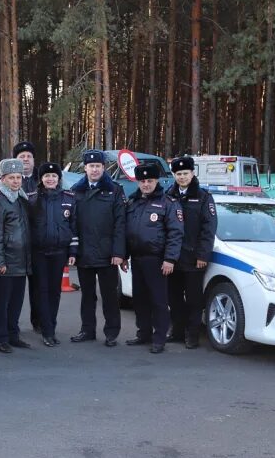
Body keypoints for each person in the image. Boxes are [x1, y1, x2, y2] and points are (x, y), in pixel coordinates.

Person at [121, 163, 183, 354]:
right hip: (137, 259)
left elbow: (176, 233)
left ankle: (159, 338)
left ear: (156, 181)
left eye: (150, 181)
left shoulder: (168, 203)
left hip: (157, 260)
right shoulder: (132, 203)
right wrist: (124, 256)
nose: (146, 184)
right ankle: (143, 333)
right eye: (142, 181)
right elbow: (125, 232)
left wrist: (170, 259)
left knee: (158, 301)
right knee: (139, 299)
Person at [69, 149, 126, 347]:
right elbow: (73, 223)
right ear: (85, 168)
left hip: (107, 254)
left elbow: (120, 223)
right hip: (84, 253)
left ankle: (111, 332)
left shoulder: (115, 190)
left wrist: (119, 252)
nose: (94, 169)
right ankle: (87, 330)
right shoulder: (77, 191)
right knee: (87, 296)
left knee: (109, 296)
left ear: (104, 168)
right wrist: (73, 252)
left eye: (98, 166)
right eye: (91, 166)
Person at [166, 156, 218, 349]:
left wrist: (203, 255)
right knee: (174, 298)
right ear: (174, 175)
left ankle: (192, 334)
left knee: (194, 300)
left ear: (192, 173)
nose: (182, 177)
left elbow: (209, 228)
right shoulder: (169, 195)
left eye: (185, 173)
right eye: (178, 174)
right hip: (173, 257)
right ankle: (177, 331)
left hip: (194, 258)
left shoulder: (204, 197)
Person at [28, 162, 78, 347]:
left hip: (59, 252)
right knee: (41, 291)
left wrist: (73, 251)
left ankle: (51, 326)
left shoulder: (69, 198)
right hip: (38, 252)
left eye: (54, 176)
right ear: (41, 179)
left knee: (55, 291)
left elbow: (73, 227)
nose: (50, 179)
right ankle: (46, 330)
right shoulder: (32, 199)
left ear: (59, 179)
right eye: (47, 176)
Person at [0, 158, 33, 353]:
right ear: (3, 178)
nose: (16, 181)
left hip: (21, 260)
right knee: (1, 302)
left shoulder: (21, 198)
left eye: (18, 177)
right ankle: (1, 338)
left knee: (16, 302)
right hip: (6, 261)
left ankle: (13, 335)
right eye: (11, 178)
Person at [12, 141, 41, 332]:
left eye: (28, 156)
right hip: (17, 242)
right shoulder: (9, 180)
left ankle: (38, 322)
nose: (25, 159)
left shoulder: (44, 178)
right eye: (21, 157)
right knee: (15, 288)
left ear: (33, 159)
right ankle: (11, 325)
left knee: (38, 286)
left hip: (39, 241)